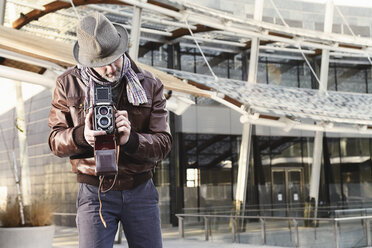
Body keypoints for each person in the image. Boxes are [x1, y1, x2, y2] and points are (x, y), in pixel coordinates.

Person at [48, 12, 172, 248]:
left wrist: (132, 140)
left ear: (122, 49)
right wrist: (80, 136)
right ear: (87, 62)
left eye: (114, 58)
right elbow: (55, 141)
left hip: (140, 188)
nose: (109, 68)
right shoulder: (67, 84)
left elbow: (164, 144)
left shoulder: (150, 84)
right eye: (100, 63)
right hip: (94, 191)